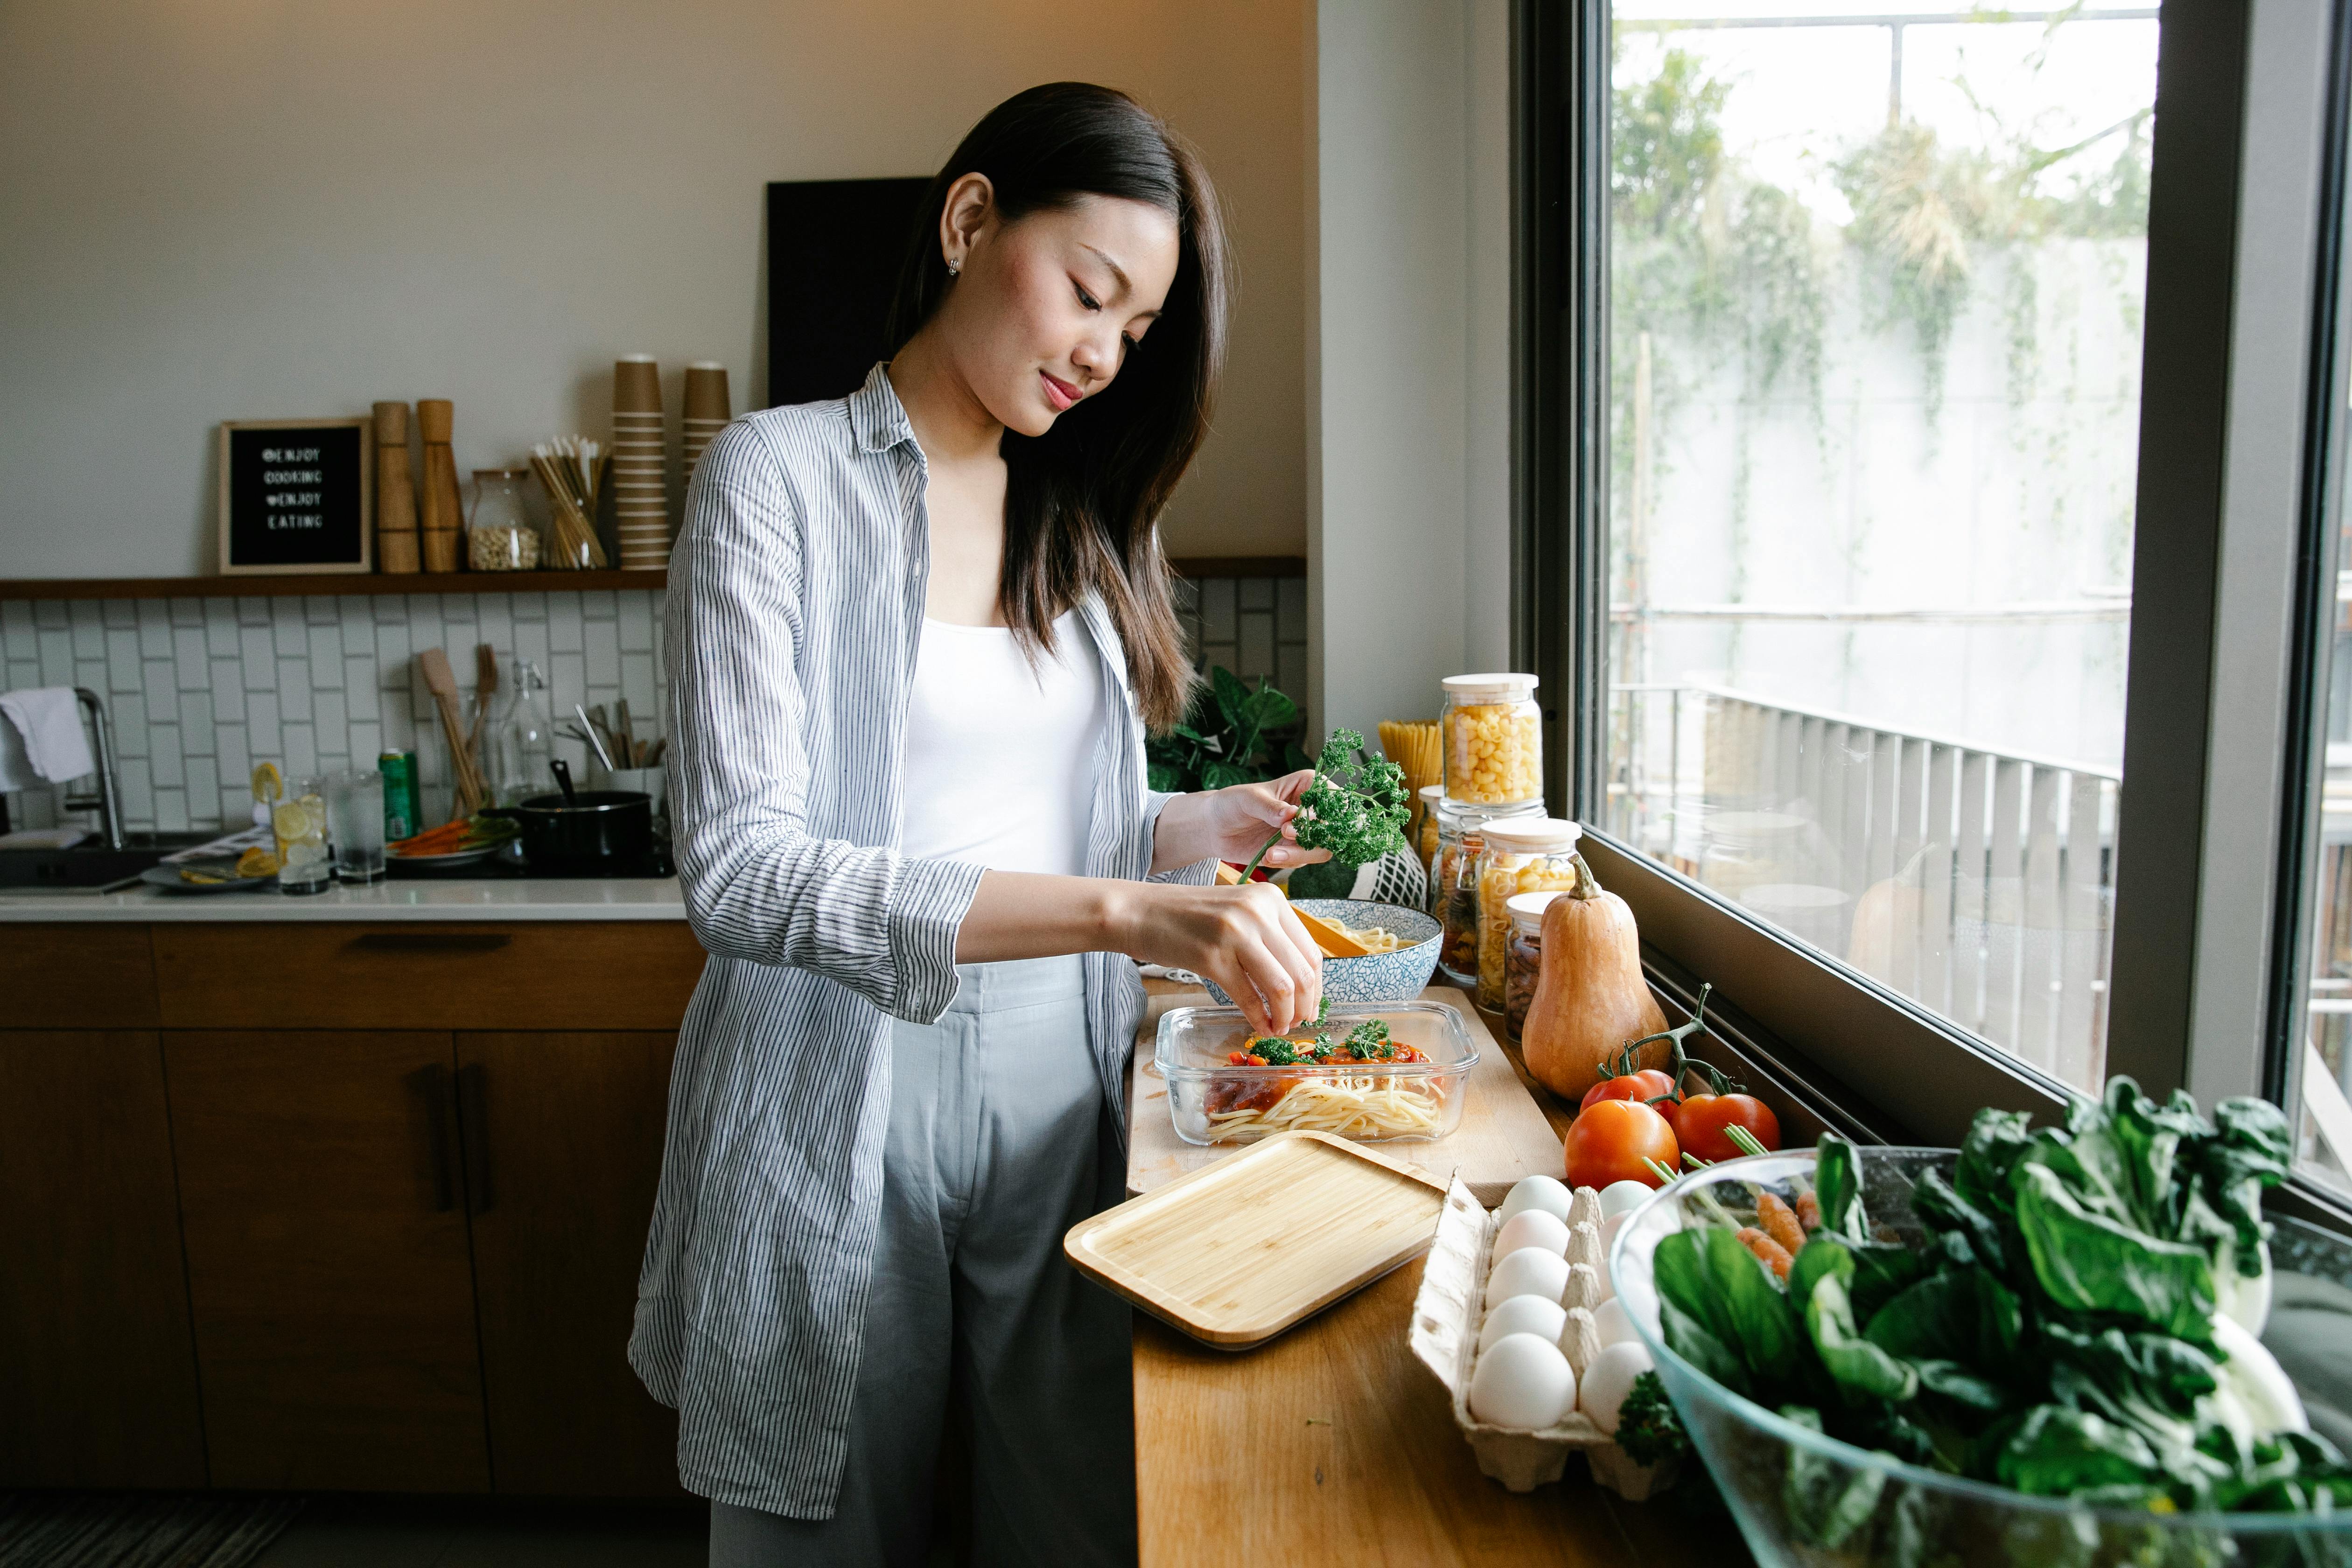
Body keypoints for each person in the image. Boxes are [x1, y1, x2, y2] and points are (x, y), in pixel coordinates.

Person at [634, 82, 1328, 1567]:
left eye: (1136, 334)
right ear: (970, 221)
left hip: (1061, 1103)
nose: (1102, 351)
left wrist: (1207, 831)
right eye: (1091, 293)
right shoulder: (776, 480)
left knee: (1072, 1520)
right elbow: (744, 872)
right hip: (834, 1091)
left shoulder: (1078, 518)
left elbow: (1068, 818)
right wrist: (1130, 913)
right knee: (815, 1530)